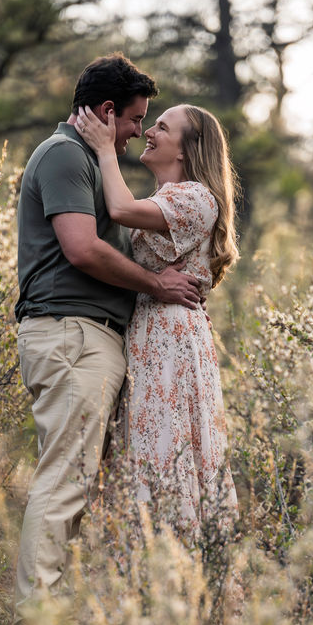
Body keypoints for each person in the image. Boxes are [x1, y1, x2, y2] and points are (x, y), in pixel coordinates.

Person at [14, 54, 203, 606]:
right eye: (134, 121)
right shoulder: (65, 155)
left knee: (75, 479)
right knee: (66, 479)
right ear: (105, 111)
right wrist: (155, 283)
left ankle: (53, 606)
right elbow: (81, 248)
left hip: (89, 336)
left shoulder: (88, 160)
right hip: (72, 333)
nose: (137, 133)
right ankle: (38, 617)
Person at [72, 101, 241, 546]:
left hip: (171, 339)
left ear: (187, 149)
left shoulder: (196, 198)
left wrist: (106, 150)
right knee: (144, 446)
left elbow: (122, 210)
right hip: (149, 332)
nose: (150, 132)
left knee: (164, 447)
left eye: (162, 128)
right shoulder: (167, 196)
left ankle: (171, 562)